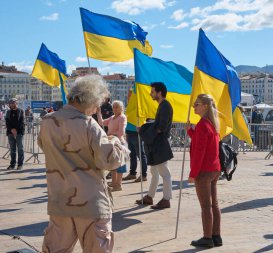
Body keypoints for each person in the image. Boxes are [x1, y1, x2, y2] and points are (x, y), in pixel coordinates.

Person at [38, 75, 129, 252]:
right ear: (90, 100)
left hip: (60, 201)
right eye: (97, 104)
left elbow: (44, 146)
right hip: (90, 204)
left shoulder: (47, 122)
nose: (97, 109)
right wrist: (117, 143)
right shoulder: (88, 124)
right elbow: (109, 161)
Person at [186, 94, 222, 248]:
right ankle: (216, 236)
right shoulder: (212, 124)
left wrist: (193, 174)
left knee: (206, 206)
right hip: (214, 169)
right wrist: (190, 132)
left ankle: (207, 238)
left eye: (197, 104)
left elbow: (199, 153)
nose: (194, 106)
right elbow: (203, 144)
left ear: (205, 107)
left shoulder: (202, 125)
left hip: (204, 171)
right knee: (214, 204)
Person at [136, 82, 173, 209]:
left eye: (152, 91)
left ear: (159, 92)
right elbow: (158, 125)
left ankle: (166, 199)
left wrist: (145, 130)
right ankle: (150, 197)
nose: (150, 94)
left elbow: (161, 127)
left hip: (160, 143)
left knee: (164, 172)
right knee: (154, 171)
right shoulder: (162, 105)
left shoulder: (165, 106)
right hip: (158, 143)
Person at [97, 100, 128, 191]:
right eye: (113, 107)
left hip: (119, 142)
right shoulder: (112, 117)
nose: (114, 109)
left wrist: (112, 135)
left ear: (121, 108)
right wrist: (99, 112)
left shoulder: (122, 117)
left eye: (117, 107)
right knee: (113, 164)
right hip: (111, 142)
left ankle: (118, 185)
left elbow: (121, 132)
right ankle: (114, 184)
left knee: (120, 165)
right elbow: (101, 122)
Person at [5, 98, 25, 170]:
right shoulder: (8, 112)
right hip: (10, 132)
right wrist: (11, 129)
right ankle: (12, 164)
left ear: (16, 103)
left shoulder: (21, 111)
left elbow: (21, 121)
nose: (12, 104)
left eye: (13, 103)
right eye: (10, 103)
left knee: (20, 149)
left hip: (19, 132)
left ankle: (20, 164)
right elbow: (7, 122)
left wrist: (16, 129)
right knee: (12, 149)